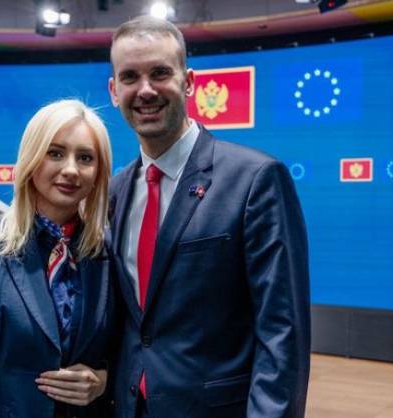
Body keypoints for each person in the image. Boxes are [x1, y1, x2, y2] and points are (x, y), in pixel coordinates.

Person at [107, 16, 311, 418]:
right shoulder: (113, 192)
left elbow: (282, 331)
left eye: (160, 73)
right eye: (130, 77)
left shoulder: (255, 179)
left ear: (189, 82)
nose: (145, 90)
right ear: (114, 91)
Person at [0, 99, 115, 418]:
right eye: (55, 153)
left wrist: (106, 380)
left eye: (85, 158)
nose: (70, 169)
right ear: (31, 159)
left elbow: (129, 348)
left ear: (99, 173)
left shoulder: (109, 251)